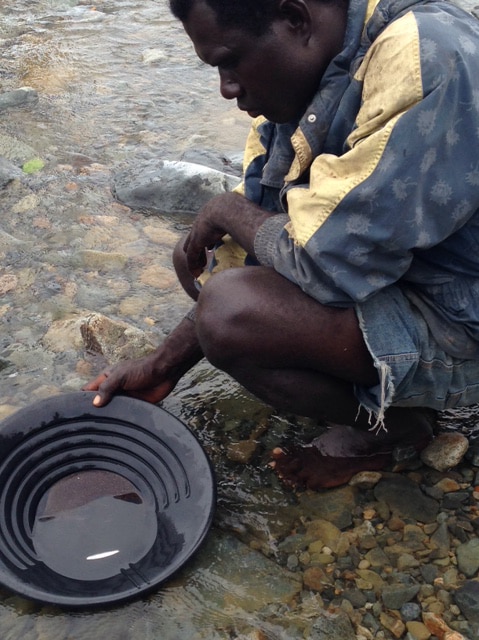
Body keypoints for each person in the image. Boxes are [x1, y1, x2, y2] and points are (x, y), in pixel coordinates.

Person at [84, 0, 479, 490]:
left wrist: (222, 210)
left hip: (463, 316)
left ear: (295, 19)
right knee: (204, 257)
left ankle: (396, 429)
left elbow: (325, 264)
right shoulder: (313, 76)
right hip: (401, 273)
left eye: (231, 60)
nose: (227, 88)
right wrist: (163, 365)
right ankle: (385, 394)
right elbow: (263, 229)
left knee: (231, 306)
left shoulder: (425, 58)